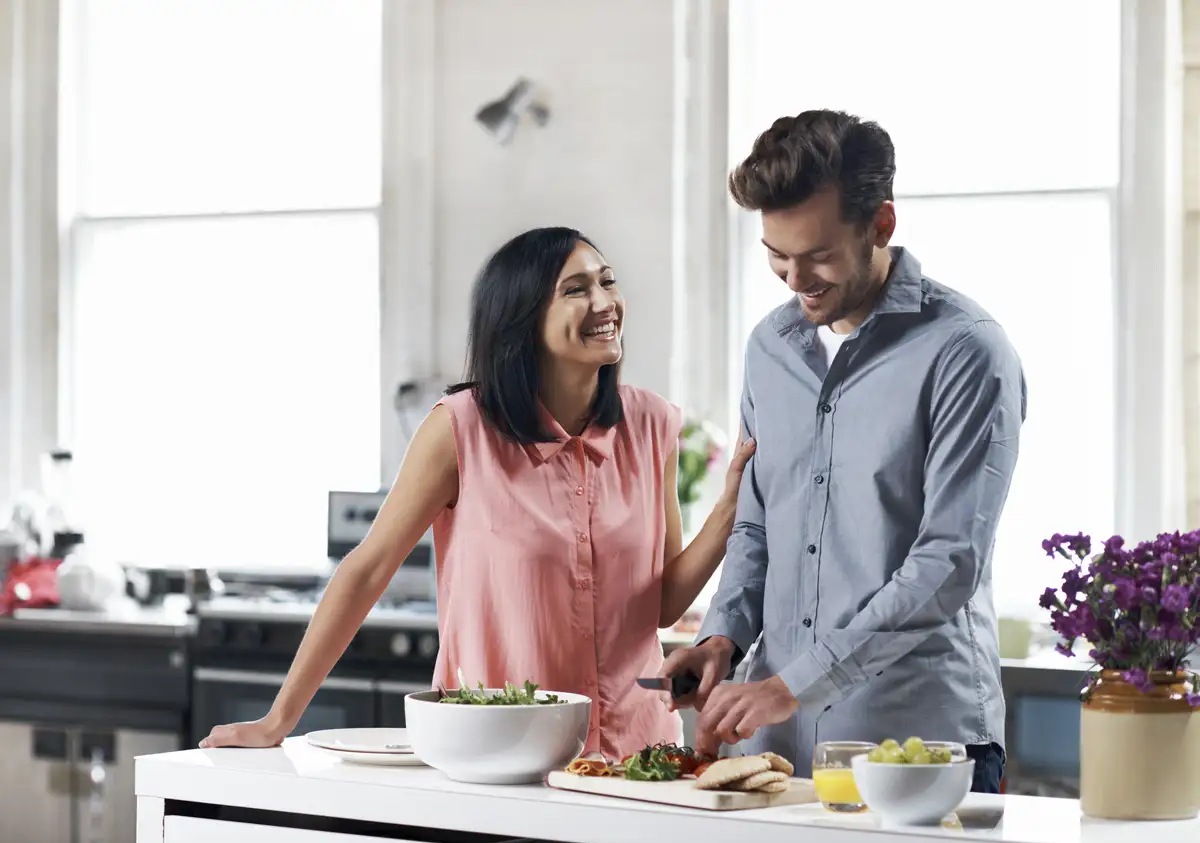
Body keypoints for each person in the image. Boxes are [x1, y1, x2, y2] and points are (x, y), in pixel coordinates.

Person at [200, 226, 754, 761]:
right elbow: (368, 570)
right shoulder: (460, 430)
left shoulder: (651, 424)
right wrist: (278, 720)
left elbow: (661, 605)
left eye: (606, 281)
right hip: (498, 754)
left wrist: (730, 509)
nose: (604, 302)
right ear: (523, 318)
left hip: (636, 756)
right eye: (576, 289)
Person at [660, 110, 1025, 792]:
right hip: (775, 745)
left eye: (819, 255)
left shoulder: (966, 351)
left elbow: (948, 562)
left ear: (881, 225)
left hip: (917, 745)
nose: (794, 278)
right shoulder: (770, 349)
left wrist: (795, 684)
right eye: (776, 254)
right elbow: (757, 525)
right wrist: (723, 639)